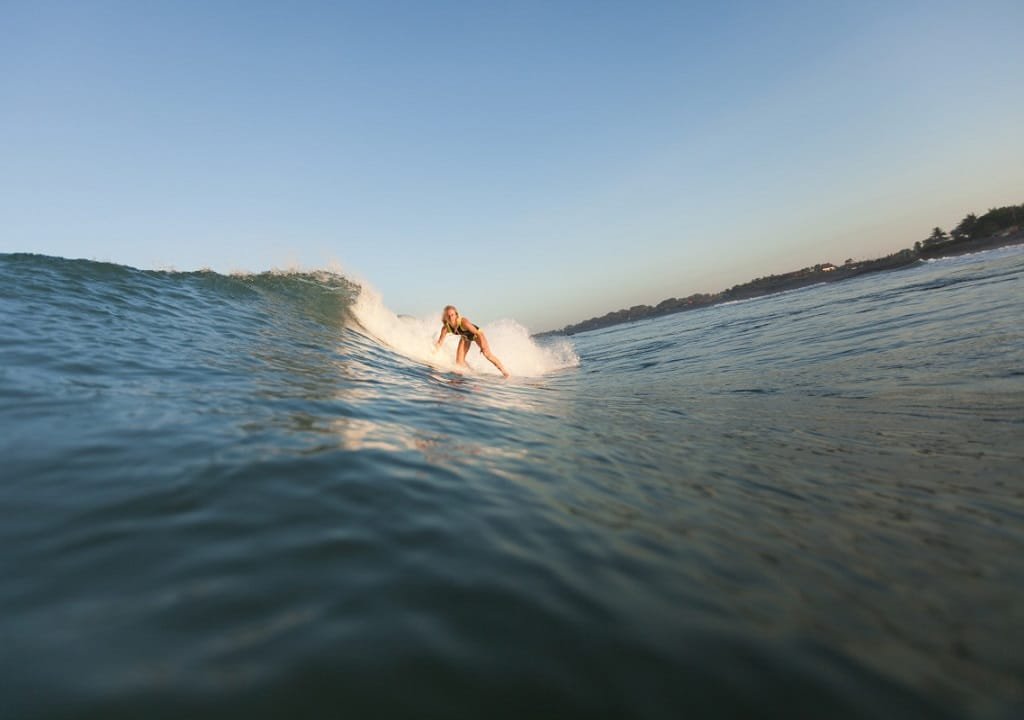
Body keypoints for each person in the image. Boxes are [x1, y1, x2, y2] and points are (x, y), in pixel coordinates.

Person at [434, 305, 510, 378]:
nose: (451, 317)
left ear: (456, 314)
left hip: (477, 335)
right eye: (448, 316)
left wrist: (483, 346)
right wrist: (433, 353)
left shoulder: (463, 322)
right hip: (465, 338)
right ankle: (472, 372)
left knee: (487, 354)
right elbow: (440, 342)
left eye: (452, 315)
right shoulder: (445, 328)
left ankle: (505, 373)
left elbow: (478, 333)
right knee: (459, 362)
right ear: (445, 317)